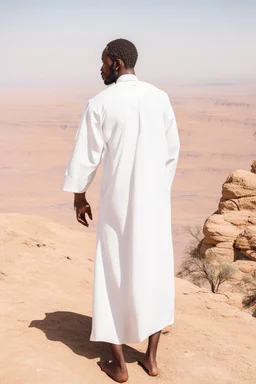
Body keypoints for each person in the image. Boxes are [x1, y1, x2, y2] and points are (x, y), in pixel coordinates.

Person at [62, 38, 180, 383]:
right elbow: (172, 152)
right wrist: (157, 190)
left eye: (102, 62)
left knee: (113, 270)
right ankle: (152, 359)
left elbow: (86, 155)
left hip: (118, 204)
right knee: (156, 271)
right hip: (155, 202)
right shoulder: (160, 98)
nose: (100, 68)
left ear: (116, 63)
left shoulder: (101, 103)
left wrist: (79, 197)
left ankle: (119, 365)